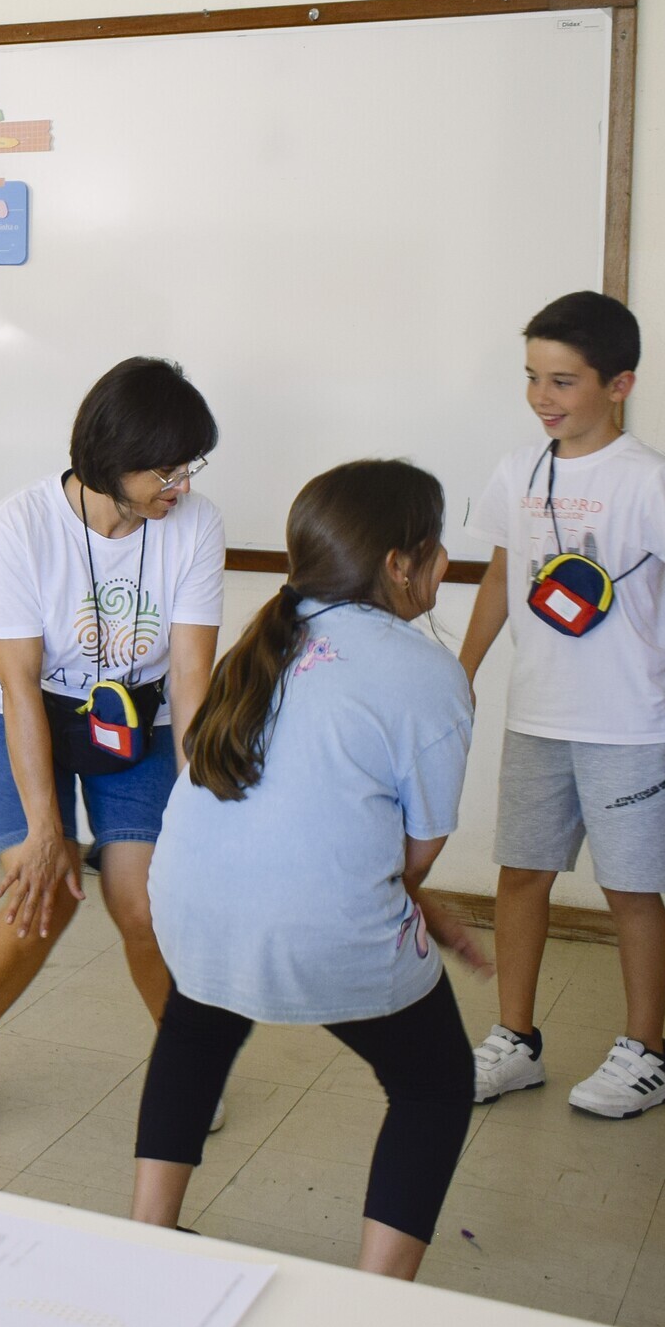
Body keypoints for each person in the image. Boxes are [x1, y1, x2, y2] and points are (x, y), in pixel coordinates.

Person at [135, 460, 484, 1278]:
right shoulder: (430, 673)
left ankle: (146, 1235)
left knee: (198, 1019)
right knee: (434, 1083)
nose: (444, 563)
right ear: (399, 564)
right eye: (435, 547)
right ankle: (375, 1294)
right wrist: (413, 908)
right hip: (321, 930)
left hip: (185, 907)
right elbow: (417, 851)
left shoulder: (262, 640)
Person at [0, 358, 224, 1139]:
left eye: (189, 467)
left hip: (135, 722)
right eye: (166, 470)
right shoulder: (21, 522)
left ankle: (184, 1064)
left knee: (145, 902)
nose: (181, 485)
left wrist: (201, 814)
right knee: (44, 894)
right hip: (21, 717)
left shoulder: (195, 524)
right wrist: (45, 832)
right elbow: (20, 685)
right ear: (112, 458)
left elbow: (193, 678)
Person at [460, 292, 665, 1119]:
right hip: (538, 717)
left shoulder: (650, 478)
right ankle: (514, 1040)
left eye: (563, 381)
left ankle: (647, 1053)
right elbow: (502, 575)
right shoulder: (519, 469)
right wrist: (462, 670)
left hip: (630, 727)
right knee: (521, 875)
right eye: (533, 377)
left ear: (619, 385)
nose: (542, 397)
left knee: (633, 890)